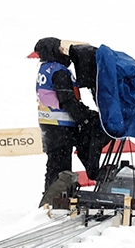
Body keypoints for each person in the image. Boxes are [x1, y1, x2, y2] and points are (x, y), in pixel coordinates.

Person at [34, 38, 104, 207]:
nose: (63, 51)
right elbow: (67, 99)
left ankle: (53, 201)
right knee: (60, 168)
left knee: (54, 165)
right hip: (60, 125)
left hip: (49, 124)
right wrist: (86, 117)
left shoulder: (45, 69)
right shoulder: (59, 71)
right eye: (59, 48)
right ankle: (54, 203)